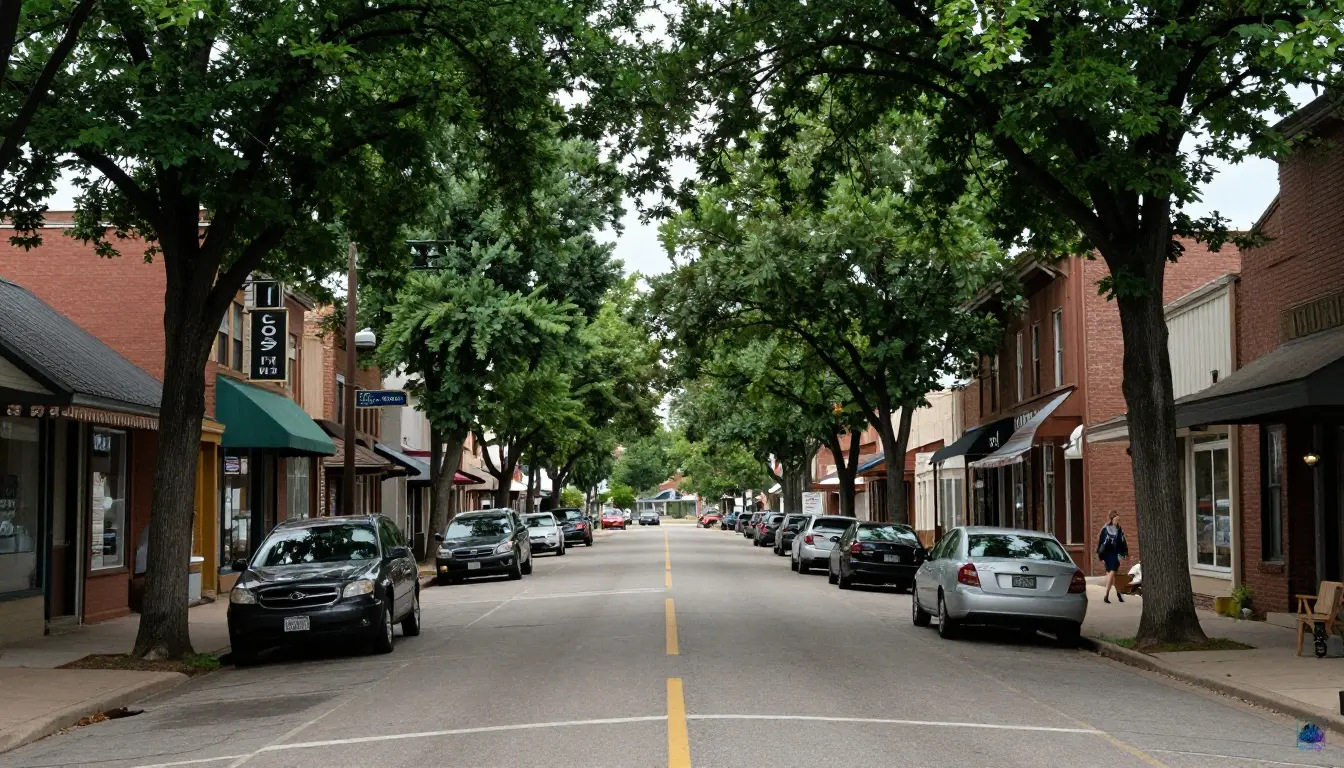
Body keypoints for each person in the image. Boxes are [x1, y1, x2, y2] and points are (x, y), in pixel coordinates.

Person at [1097, 511, 1129, 603]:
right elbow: (1101, 542)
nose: (1117, 521)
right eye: (1115, 519)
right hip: (1108, 554)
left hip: (1115, 553)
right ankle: (1106, 594)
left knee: (1112, 575)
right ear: (1111, 519)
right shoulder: (1106, 529)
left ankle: (1118, 593)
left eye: (1118, 519)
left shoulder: (1119, 529)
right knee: (1112, 573)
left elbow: (1123, 541)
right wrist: (1100, 554)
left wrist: (1125, 552)